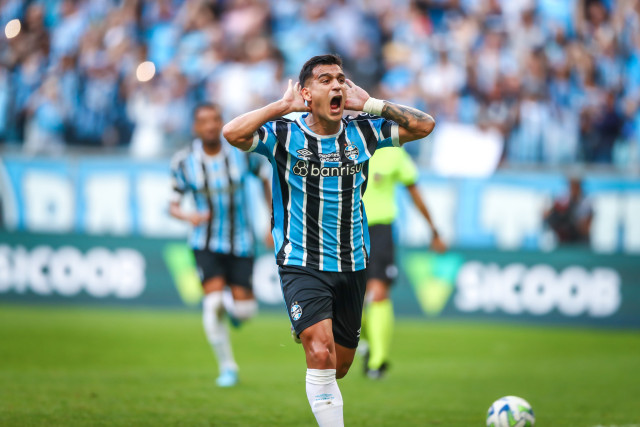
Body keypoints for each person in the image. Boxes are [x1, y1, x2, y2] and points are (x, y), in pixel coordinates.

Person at [223, 54, 435, 426]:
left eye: (340, 78)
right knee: (320, 354)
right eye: (325, 80)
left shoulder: (364, 131)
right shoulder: (284, 133)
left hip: (353, 261)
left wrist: (371, 104)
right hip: (301, 261)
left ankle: (309, 329)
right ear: (306, 93)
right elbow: (233, 133)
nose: (336, 84)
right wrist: (280, 107)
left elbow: (424, 125)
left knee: (339, 366)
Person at [169, 103, 271, 388]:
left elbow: (265, 178)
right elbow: (172, 204)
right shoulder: (184, 161)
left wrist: (271, 220)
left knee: (245, 312)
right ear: (195, 127)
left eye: (215, 120)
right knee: (212, 303)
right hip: (205, 241)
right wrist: (188, 216)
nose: (210, 126)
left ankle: (231, 306)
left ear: (221, 122)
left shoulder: (240, 152)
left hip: (241, 241)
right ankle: (228, 368)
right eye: (204, 121)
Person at [361, 147, 447, 379]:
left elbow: (414, 192)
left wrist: (433, 230)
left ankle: (377, 363)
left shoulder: (393, 152)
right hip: (345, 229)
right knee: (351, 302)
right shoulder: (343, 143)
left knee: (378, 293)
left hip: (380, 230)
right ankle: (368, 342)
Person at [544, 176, 593, 244]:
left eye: (575, 185)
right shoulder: (562, 199)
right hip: (563, 242)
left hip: (580, 242)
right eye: (571, 185)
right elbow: (548, 217)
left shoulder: (586, 202)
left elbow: (585, 229)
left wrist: (572, 222)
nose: (573, 188)